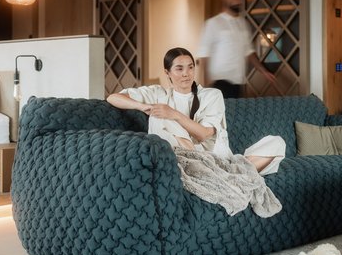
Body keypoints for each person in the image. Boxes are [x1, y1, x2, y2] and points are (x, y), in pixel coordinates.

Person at [106, 47, 281, 174]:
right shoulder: (158, 94)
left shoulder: (212, 95)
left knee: (277, 142)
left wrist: (174, 114)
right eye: (179, 68)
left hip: (215, 158)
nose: (186, 73)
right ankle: (216, 171)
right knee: (158, 115)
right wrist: (144, 107)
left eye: (190, 67)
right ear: (167, 72)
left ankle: (230, 174)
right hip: (183, 157)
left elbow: (204, 134)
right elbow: (113, 98)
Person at [196, 0, 275, 98]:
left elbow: (248, 51)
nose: (238, 0)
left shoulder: (243, 24)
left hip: (238, 82)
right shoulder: (213, 23)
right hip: (218, 82)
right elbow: (204, 55)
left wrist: (264, 71)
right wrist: (203, 87)